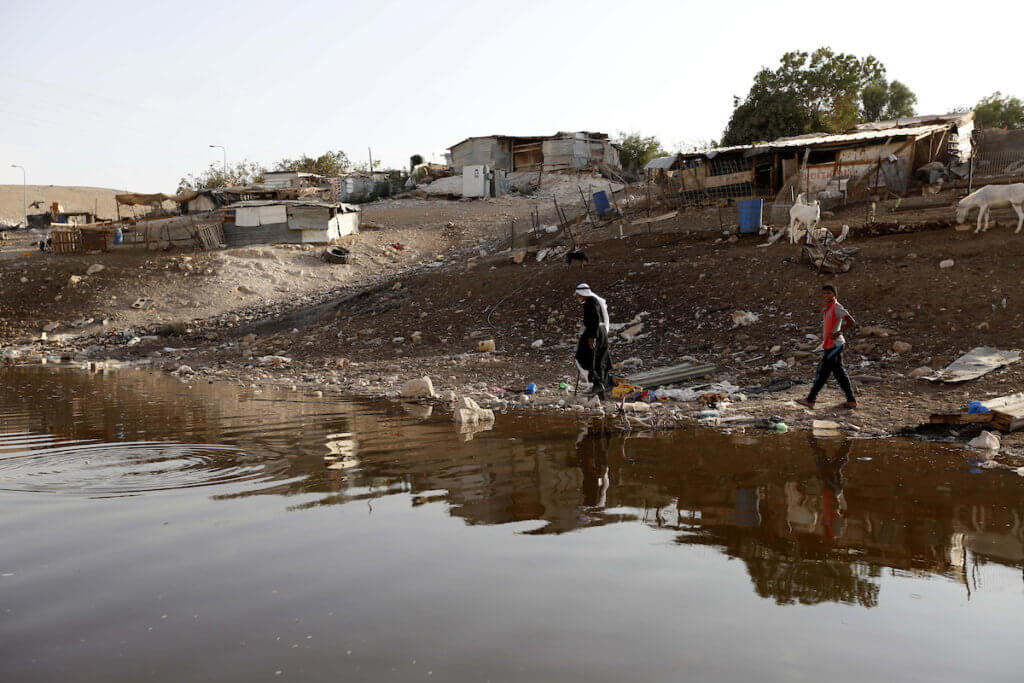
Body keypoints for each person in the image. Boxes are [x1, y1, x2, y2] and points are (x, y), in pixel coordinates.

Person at [797, 284, 857, 409]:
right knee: (837, 374)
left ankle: (811, 399)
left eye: (829, 293)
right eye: (824, 293)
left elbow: (851, 321)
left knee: (824, 372)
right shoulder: (828, 307)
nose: (826, 295)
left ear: (835, 294)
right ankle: (850, 400)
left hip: (835, 346)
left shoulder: (836, 307)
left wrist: (839, 332)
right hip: (830, 346)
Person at [573, 283, 612, 399]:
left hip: (594, 333)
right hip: (601, 332)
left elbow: (594, 320)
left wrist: (592, 337)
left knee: (584, 357)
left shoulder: (590, 303)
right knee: (599, 361)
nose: (578, 297)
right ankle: (600, 393)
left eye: (579, 294)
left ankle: (597, 382)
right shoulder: (594, 301)